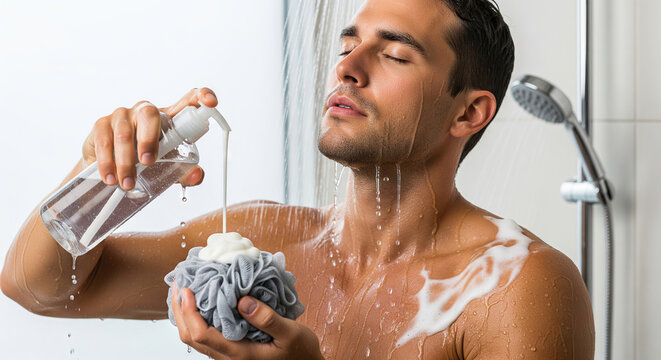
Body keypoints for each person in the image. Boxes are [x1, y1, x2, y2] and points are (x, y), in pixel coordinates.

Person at [1, 0, 595, 358]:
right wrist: (104, 178)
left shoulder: (515, 286)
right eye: (348, 45)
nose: (347, 68)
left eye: (393, 54)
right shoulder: (266, 241)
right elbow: (42, 288)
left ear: (468, 112)